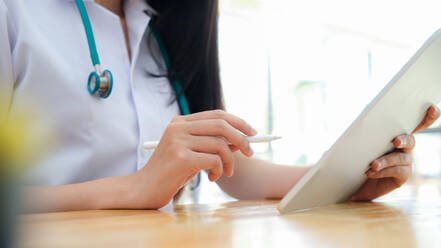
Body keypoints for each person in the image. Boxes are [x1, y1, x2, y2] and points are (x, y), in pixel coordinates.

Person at [0, 0, 438, 212]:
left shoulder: (166, 21)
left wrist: (348, 178)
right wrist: (133, 190)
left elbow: (236, 173)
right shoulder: (14, 13)